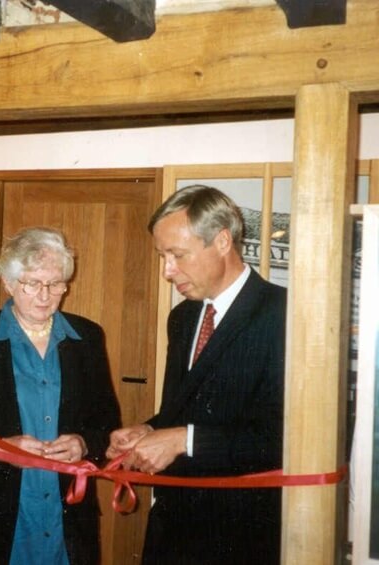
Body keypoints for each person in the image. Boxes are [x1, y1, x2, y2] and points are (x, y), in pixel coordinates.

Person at [106, 185, 286, 565]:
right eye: (162, 256)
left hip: (241, 535)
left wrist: (183, 440)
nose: (167, 271)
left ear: (222, 241)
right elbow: (182, 412)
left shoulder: (284, 315)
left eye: (177, 255)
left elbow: (285, 440)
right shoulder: (184, 318)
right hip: (171, 528)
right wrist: (150, 430)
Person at [0, 226, 122, 565]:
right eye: (32, 283)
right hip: (1, 511)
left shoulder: (87, 337)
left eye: (54, 283)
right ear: (8, 283)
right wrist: (0, 450)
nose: (45, 295)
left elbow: (108, 422)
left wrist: (83, 443)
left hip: (68, 514)